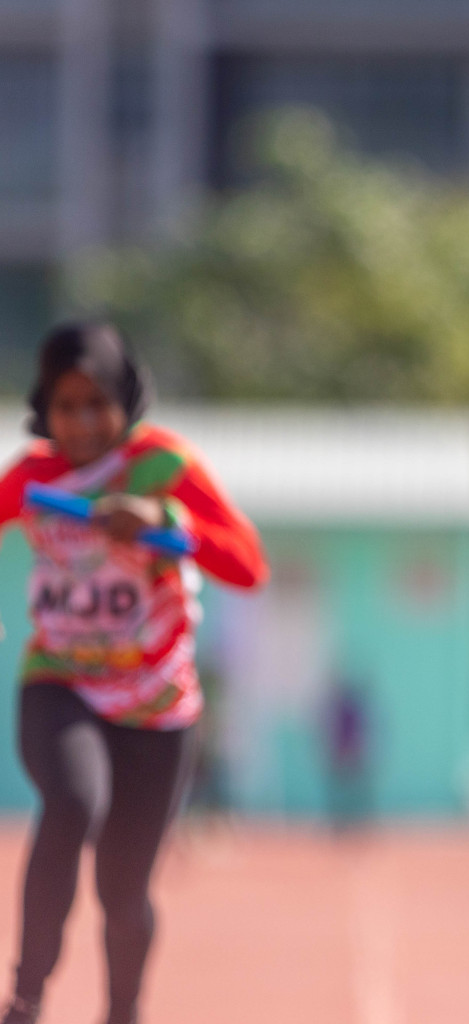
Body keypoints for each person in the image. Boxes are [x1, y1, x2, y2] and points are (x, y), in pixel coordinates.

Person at [0, 322, 268, 1024]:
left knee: (124, 893)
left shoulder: (165, 465)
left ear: (127, 400)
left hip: (157, 703)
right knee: (73, 801)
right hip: (60, 680)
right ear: (44, 408)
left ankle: (123, 1013)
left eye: (98, 404)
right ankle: (25, 998)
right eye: (66, 405)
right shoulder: (33, 476)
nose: (83, 422)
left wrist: (161, 522)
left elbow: (248, 564)